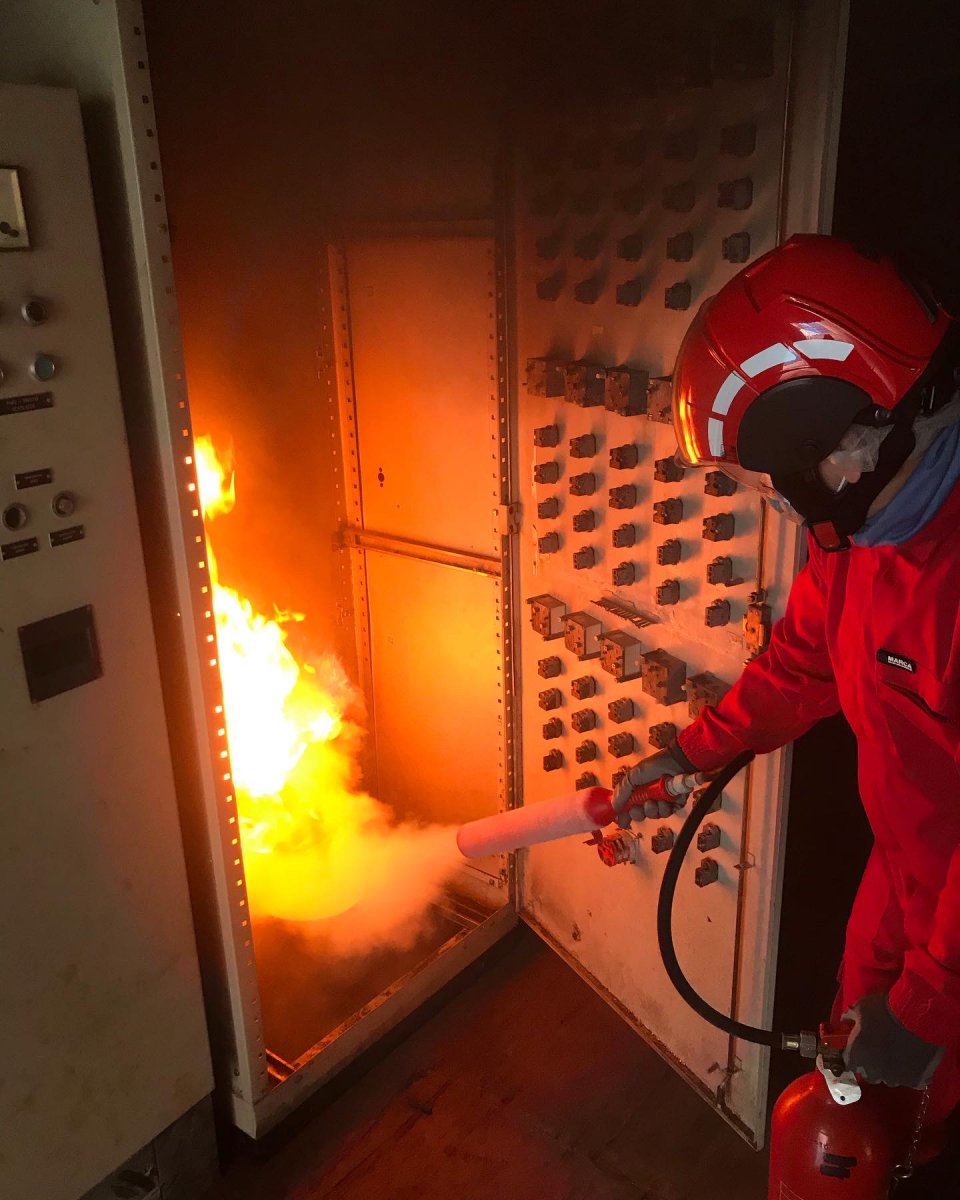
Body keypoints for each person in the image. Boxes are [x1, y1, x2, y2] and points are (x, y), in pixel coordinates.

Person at [612, 235, 960, 1174]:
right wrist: (690, 753)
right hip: (908, 875)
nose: (773, 502)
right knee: (854, 1099)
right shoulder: (863, 533)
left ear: (842, 434)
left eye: (771, 475)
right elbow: (803, 664)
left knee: (893, 1115)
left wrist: (931, 1005)